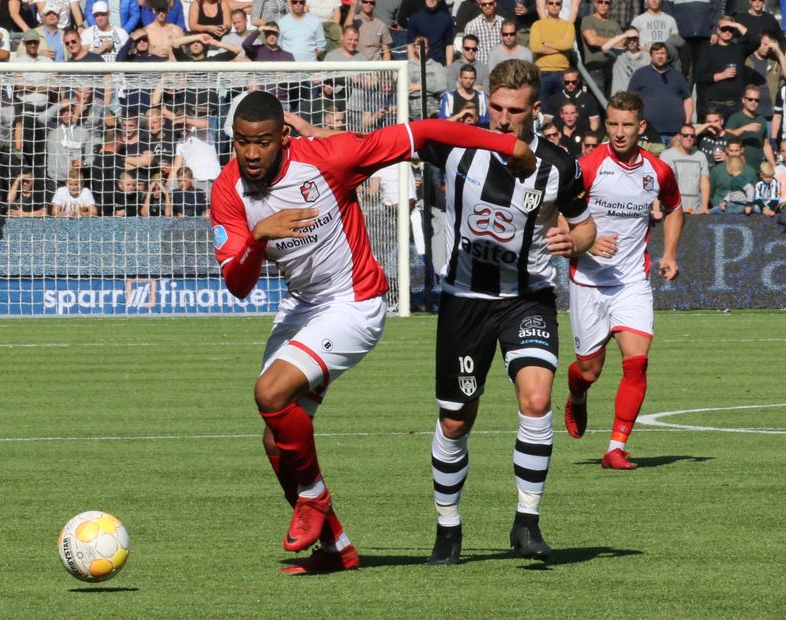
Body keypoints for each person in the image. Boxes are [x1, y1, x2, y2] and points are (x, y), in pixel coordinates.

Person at [209, 89, 540, 574]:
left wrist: (503, 144)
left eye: (261, 142)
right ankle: (336, 547)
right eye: (242, 143)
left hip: (355, 302)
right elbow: (237, 285)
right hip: (303, 307)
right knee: (274, 440)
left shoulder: (331, 157)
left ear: (283, 135)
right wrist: (259, 237)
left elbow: (422, 133)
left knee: (270, 392)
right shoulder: (226, 191)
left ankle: (313, 502)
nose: (252, 154)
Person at [417, 58, 595, 566]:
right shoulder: (455, 145)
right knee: (455, 422)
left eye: (513, 110)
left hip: (527, 297)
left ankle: (527, 521)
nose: (501, 118)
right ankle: (448, 529)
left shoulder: (559, 164)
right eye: (494, 107)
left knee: (537, 399)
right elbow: (382, 148)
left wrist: (572, 237)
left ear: (533, 111)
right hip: (465, 301)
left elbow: (586, 229)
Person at [564, 90, 684, 470]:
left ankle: (616, 446)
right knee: (589, 370)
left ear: (641, 127)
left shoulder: (658, 170)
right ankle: (577, 397)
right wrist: (586, 242)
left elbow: (675, 207)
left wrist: (669, 253)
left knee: (637, 363)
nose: (618, 132)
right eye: (612, 123)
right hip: (587, 282)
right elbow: (556, 211)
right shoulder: (589, 165)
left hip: (632, 282)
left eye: (627, 125)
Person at [627, 42, 693, 146]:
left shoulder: (677, 75)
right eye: (656, 53)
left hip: (675, 133)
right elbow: (630, 99)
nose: (660, 56)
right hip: (649, 133)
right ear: (651, 55)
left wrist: (687, 123)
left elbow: (688, 99)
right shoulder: (640, 74)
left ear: (667, 56)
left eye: (663, 53)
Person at [529, 0, 575, 109]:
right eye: (551, 3)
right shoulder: (537, 25)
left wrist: (546, 44)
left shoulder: (568, 25)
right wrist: (560, 48)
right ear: (546, 5)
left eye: (557, 3)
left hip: (562, 73)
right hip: (542, 73)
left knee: (563, 109)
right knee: (542, 110)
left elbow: (568, 45)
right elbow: (535, 47)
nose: (554, 6)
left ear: (561, 6)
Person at [660, 123, 711, 214]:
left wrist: (704, 206)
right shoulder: (666, 155)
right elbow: (660, 183)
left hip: (695, 209)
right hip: (672, 210)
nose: (689, 138)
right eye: (685, 135)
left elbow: (704, 182)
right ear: (679, 137)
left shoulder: (701, 156)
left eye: (692, 136)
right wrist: (656, 209)